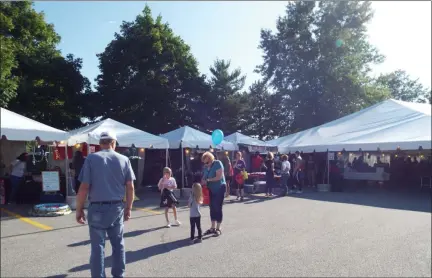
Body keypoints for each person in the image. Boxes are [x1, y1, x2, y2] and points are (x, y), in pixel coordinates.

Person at [76, 131, 135, 278]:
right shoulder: (124, 159)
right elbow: (130, 187)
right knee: (118, 245)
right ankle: (118, 275)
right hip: (116, 208)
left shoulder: (91, 158)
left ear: (100, 143)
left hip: (96, 208)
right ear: (113, 143)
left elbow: (84, 187)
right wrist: (129, 207)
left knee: (97, 248)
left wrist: (79, 210)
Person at [201, 151, 226, 236]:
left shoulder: (217, 163)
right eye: (204, 163)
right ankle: (212, 227)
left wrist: (208, 180)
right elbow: (204, 177)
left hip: (219, 187)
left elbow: (219, 177)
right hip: (210, 189)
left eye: (207, 162)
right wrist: (202, 182)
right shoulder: (206, 167)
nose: (206, 164)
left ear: (211, 159)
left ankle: (218, 228)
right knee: (211, 207)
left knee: (217, 207)